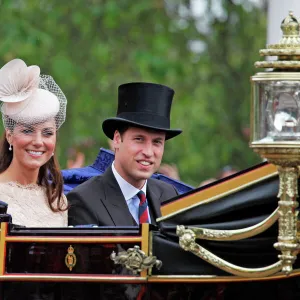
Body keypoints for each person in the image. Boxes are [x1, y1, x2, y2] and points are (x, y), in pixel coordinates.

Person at [67, 82, 182, 226]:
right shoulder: (83, 201)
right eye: (139, 139)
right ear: (116, 139)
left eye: (157, 142)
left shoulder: (169, 194)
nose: (148, 152)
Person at [0, 58, 68, 227]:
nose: (38, 142)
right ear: (9, 135)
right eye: (27, 131)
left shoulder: (58, 201)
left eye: (47, 133)